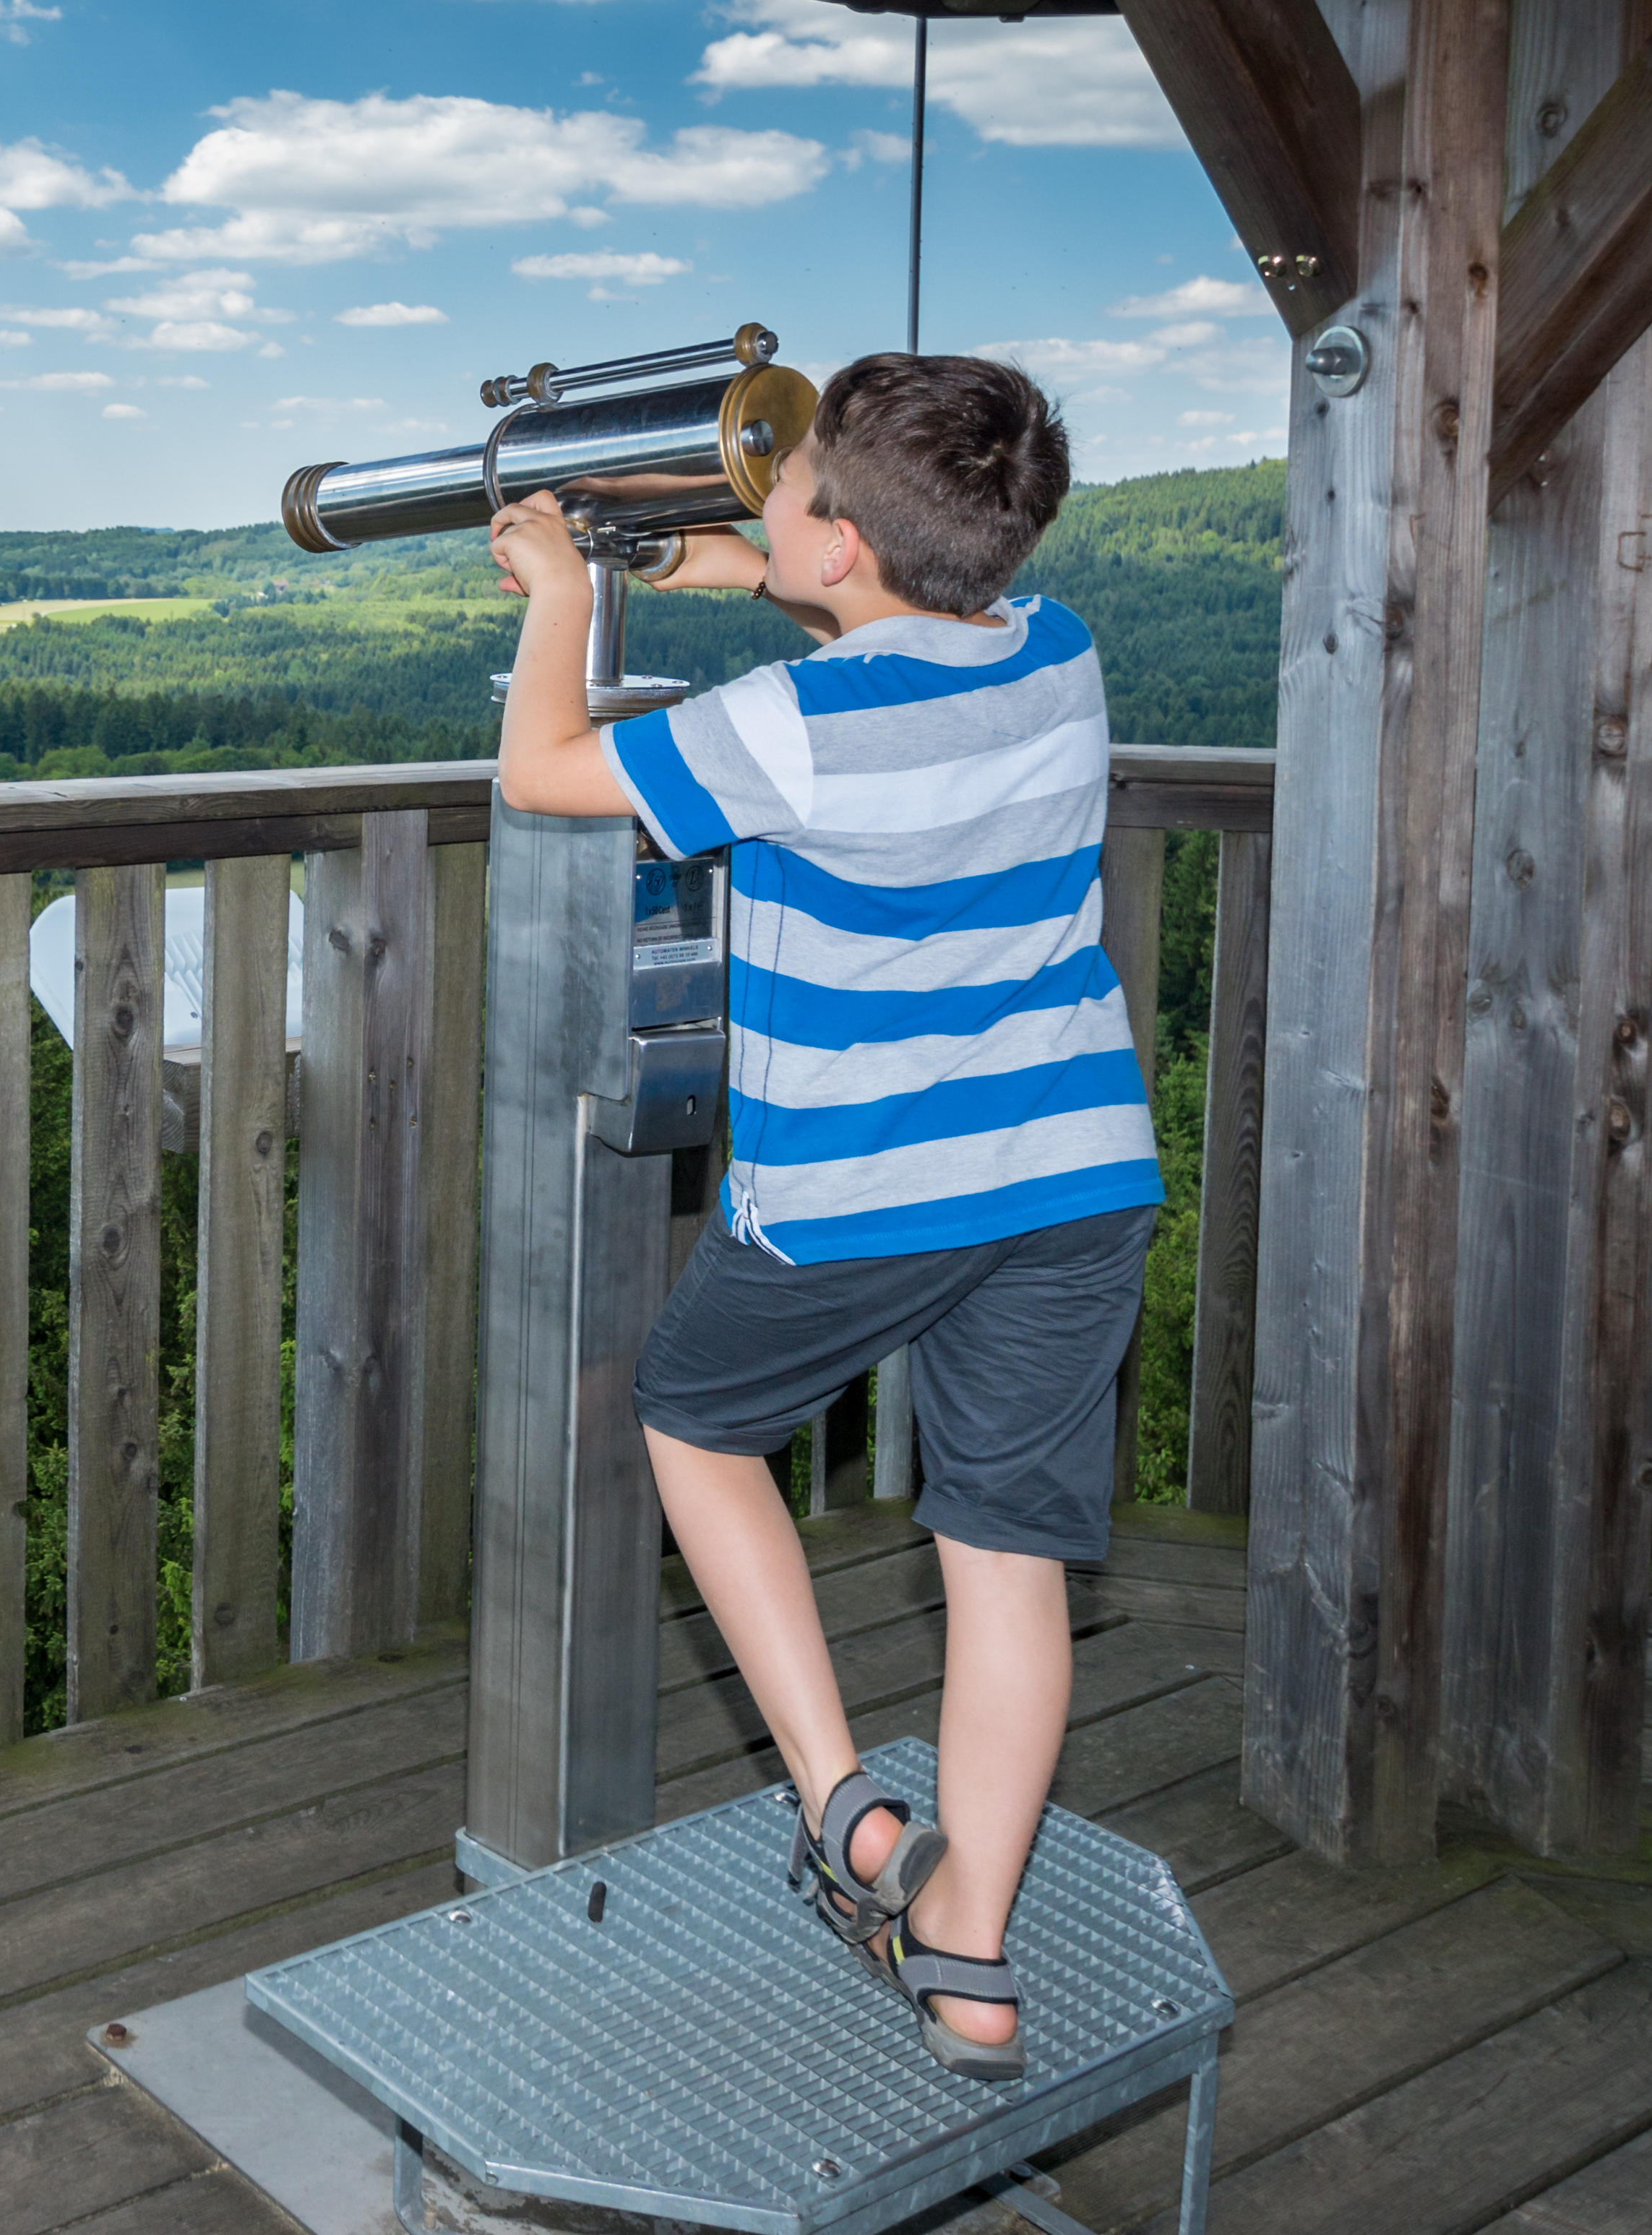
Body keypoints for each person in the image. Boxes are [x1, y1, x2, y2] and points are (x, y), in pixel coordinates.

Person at [482, 351, 1162, 2083]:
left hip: (860, 1188)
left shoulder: (793, 727)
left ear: (843, 544)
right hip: (1070, 1175)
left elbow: (546, 767)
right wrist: (696, 556)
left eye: (781, 488)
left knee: (695, 1421)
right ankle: (971, 1955)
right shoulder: (1058, 648)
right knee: (1006, 1556)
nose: (759, 495)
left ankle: (840, 1798)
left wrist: (559, 591)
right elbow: (878, 624)